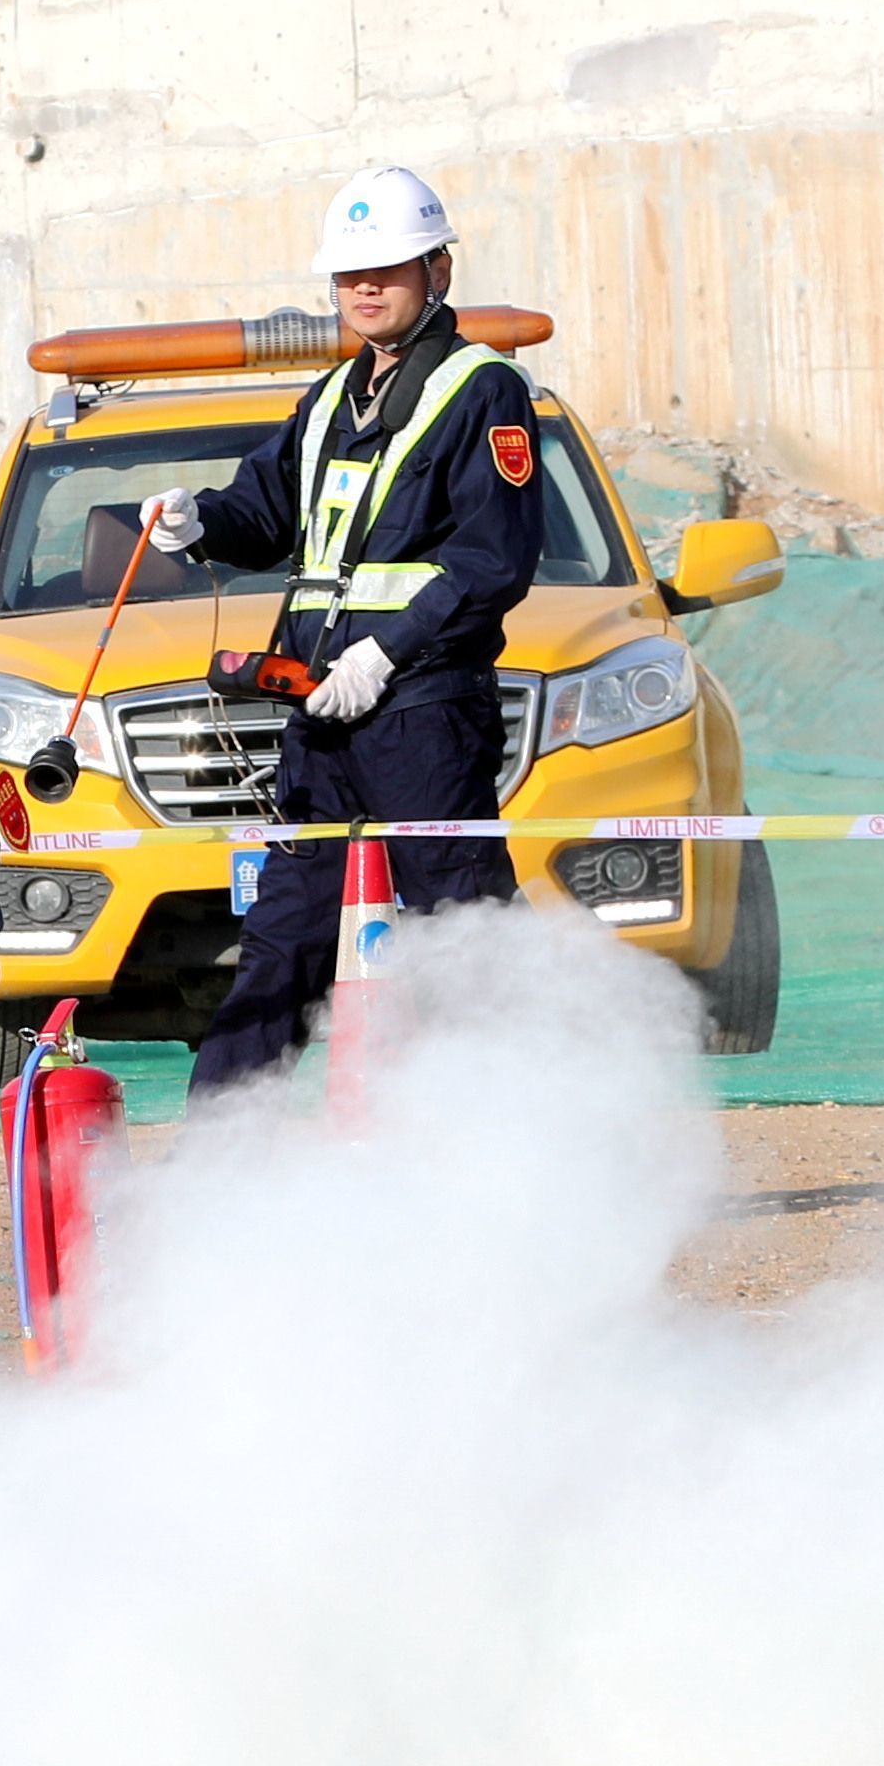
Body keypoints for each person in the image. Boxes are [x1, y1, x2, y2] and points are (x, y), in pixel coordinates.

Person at [152, 164, 545, 1095]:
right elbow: (264, 513)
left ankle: (521, 1126)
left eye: (388, 269)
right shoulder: (330, 398)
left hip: (424, 715)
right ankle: (222, 1151)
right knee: (283, 940)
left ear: (438, 271)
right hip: (320, 715)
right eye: (349, 274)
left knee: (462, 934)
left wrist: (386, 652)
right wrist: (199, 521)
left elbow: (492, 559)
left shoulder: (482, 390)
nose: (365, 288)